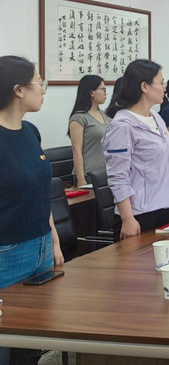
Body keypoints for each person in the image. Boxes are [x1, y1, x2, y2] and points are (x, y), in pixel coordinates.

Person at [0, 56, 63, 365]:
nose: (43, 89)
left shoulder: (30, 131)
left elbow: (39, 190)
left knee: (32, 342)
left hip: (41, 248)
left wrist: (53, 240)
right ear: (18, 90)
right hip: (7, 253)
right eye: (39, 82)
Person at [103, 60, 169, 241]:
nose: (165, 87)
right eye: (161, 82)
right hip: (140, 215)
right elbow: (118, 177)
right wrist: (127, 219)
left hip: (166, 208)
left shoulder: (156, 118)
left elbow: (164, 165)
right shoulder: (122, 126)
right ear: (145, 87)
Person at [68, 74, 111, 187]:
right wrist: (81, 179)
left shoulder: (104, 115)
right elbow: (76, 150)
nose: (105, 93)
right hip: (88, 175)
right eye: (103, 89)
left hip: (105, 173)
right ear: (92, 93)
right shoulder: (79, 118)